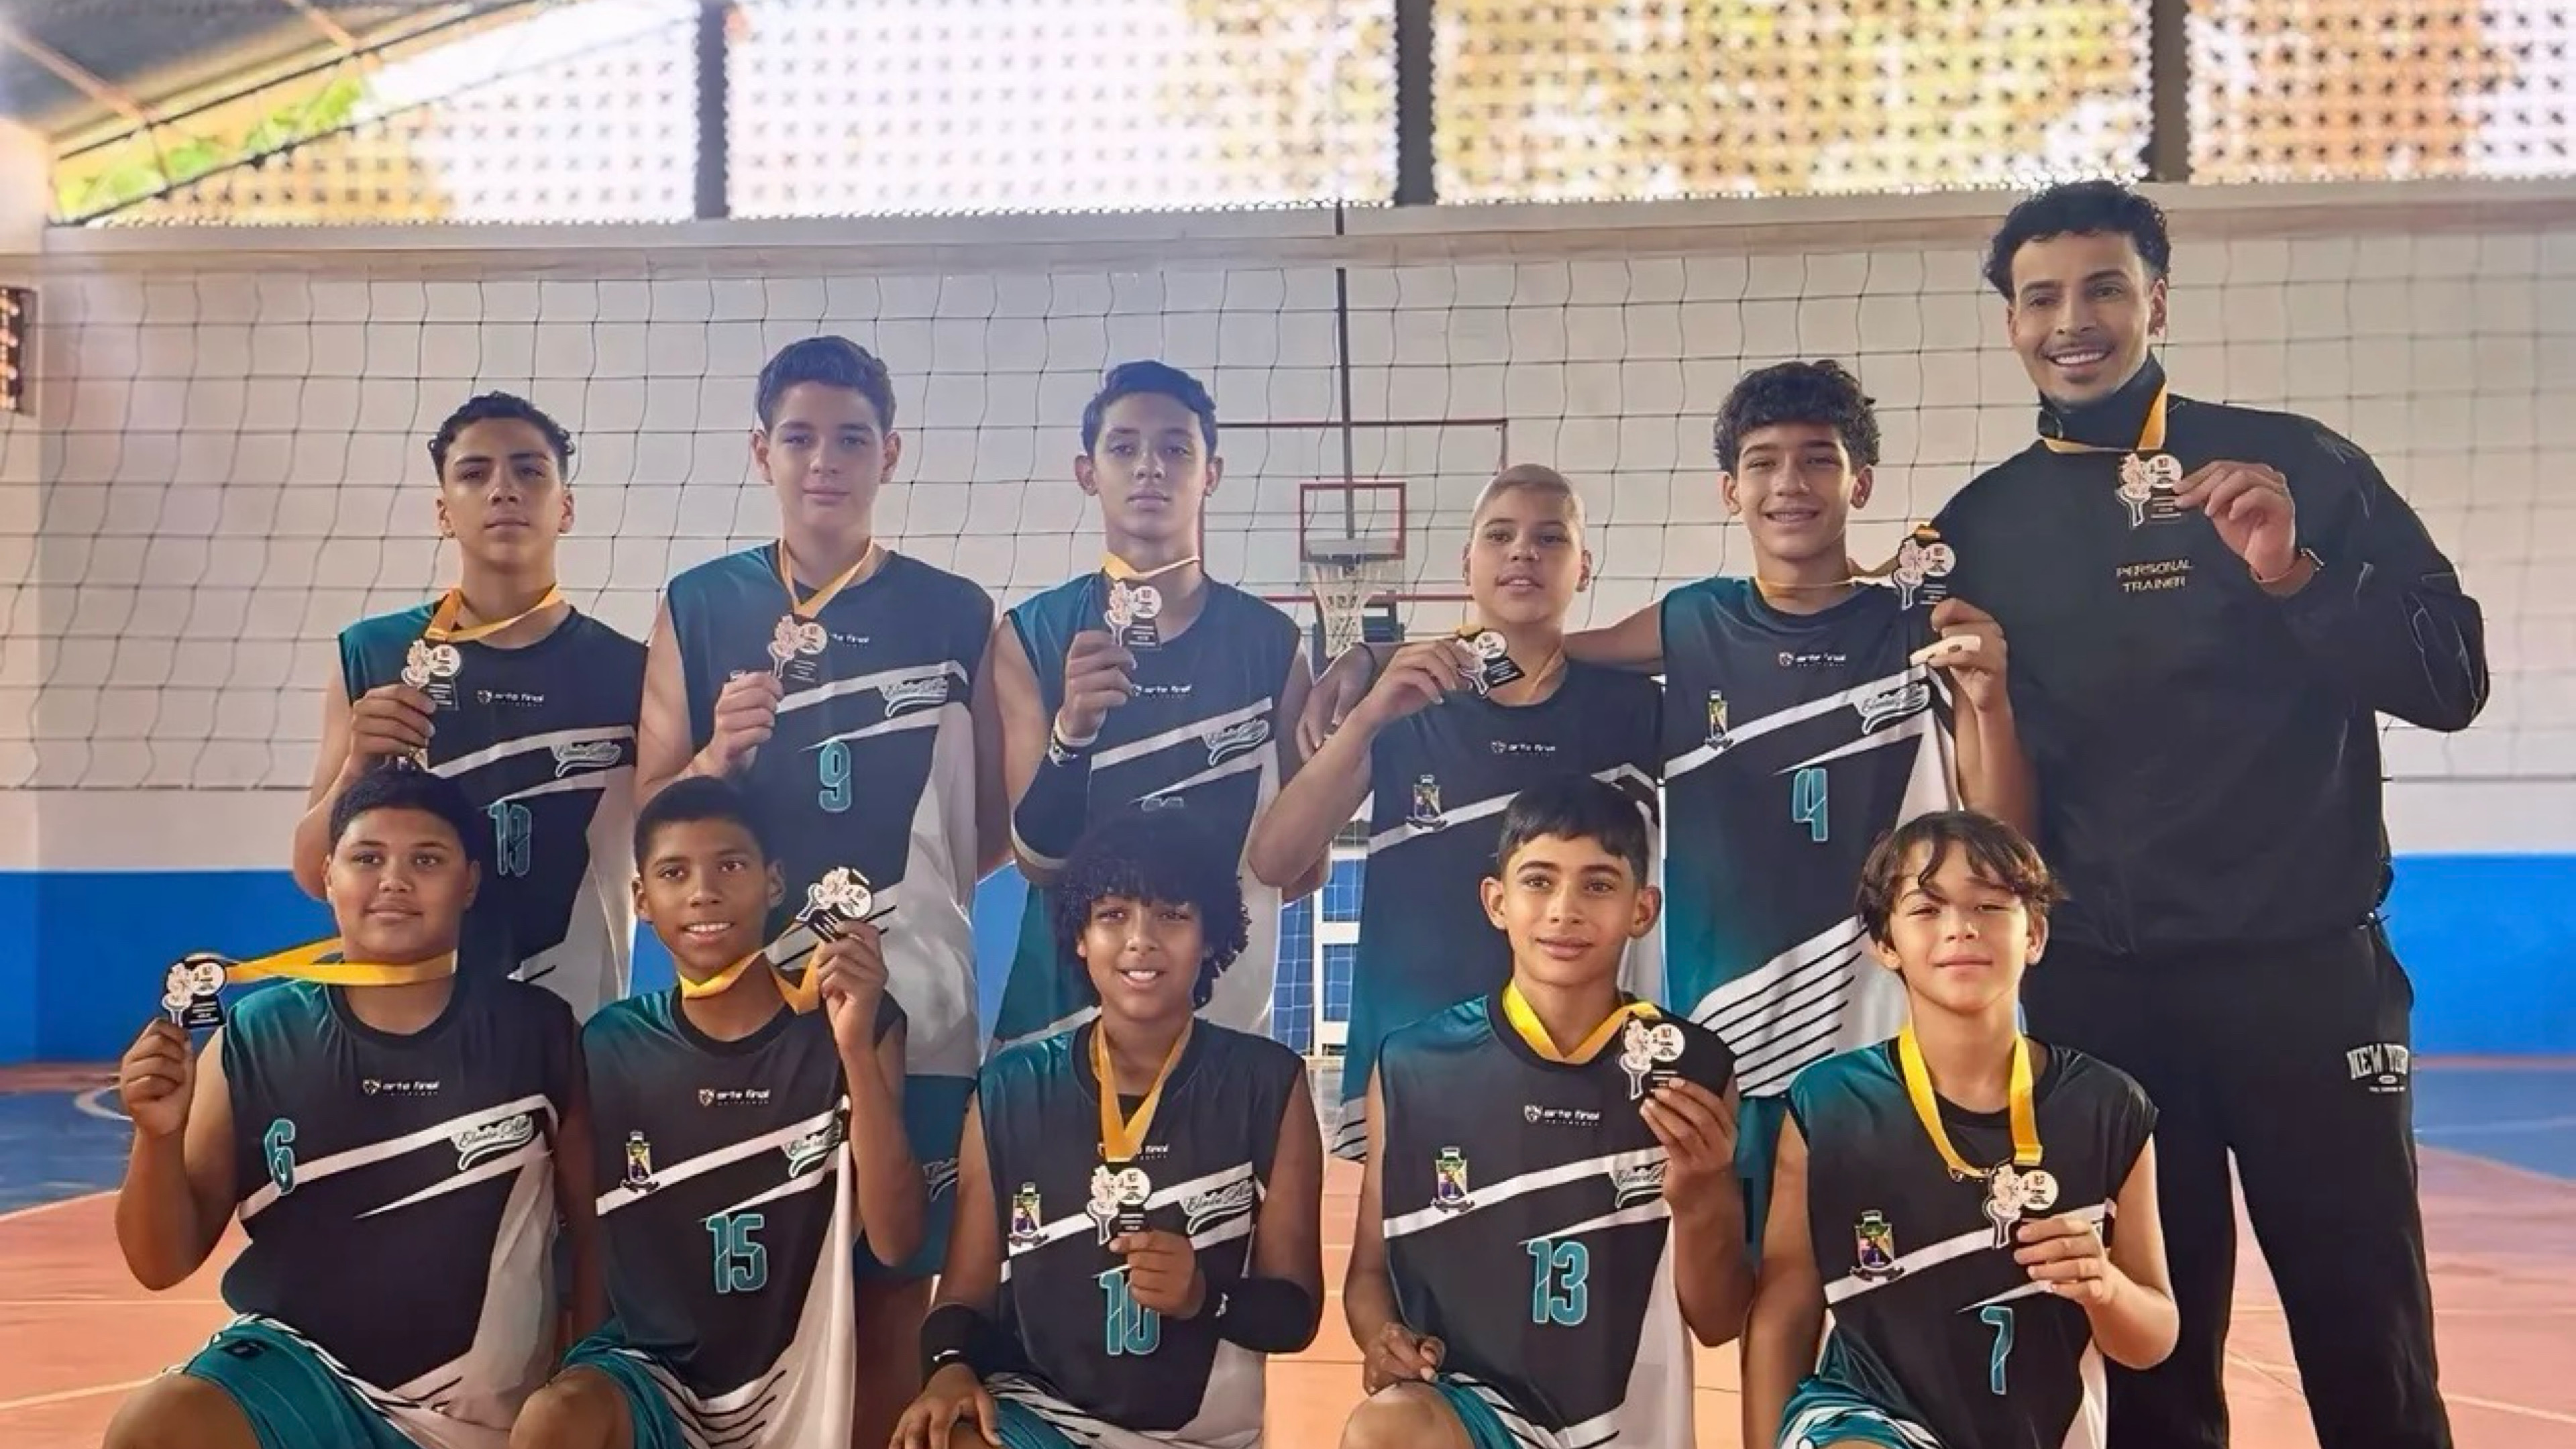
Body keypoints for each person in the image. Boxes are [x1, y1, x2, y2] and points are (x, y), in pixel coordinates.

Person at [1935, 179, 2486, 1449]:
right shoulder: (1977, 532)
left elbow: (2451, 681)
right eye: (2042, 298)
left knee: (2370, 1339)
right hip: (2106, 999)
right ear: (2012, 323)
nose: (2074, 321)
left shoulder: (2296, 466)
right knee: (2154, 1367)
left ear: (2158, 301)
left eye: (2105, 288)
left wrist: (2296, 575)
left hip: (2308, 981)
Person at [1302, 360, 2029, 1236]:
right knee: (1746, 1279)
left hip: (1888, 1017)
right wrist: (1376, 657)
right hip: (1726, 1030)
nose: (1789, 483)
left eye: (1818, 460)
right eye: (1763, 463)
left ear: (1860, 482)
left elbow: (2006, 839)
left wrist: (1992, 702)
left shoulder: (1920, 630)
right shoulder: (1692, 622)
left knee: (1892, 1267)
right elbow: (1541, 649)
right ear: (1731, 490)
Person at [634, 335, 1002, 1441]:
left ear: (890, 453)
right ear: (763, 453)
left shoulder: (957, 610)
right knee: (749, 1299)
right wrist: (715, 758)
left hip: (916, 1003)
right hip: (743, 1021)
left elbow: (989, 829)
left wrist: (898, 916)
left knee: (892, 1301)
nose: (825, 461)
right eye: (800, 437)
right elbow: (647, 820)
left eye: (851, 438)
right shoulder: (700, 604)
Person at [106, 765, 594, 1449]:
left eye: (427, 860)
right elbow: (161, 1265)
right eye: (367, 858)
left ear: (470, 883)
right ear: (328, 876)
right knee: (158, 1426)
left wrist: (585, 1373)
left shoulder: (539, 1030)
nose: (394, 880)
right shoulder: (257, 1035)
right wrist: (157, 1136)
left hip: (482, 1415)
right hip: (303, 1379)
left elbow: (593, 1233)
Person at [1248, 464, 1660, 1161]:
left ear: (1585, 567)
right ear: (1466, 563)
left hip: (1577, 1064)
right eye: (1500, 535)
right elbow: (1275, 861)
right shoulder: (1404, 703)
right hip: (1415, 1061)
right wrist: (1368, 714)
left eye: (1550, 538)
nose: (1522, 551)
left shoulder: (1636, 709)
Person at [510, 777, 924, 1449]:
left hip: (795, 1375)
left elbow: (897, 1240)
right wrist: (580, 1357)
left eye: (730, 866)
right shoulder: (609, 1042)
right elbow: (585, 1230)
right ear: (641, 898)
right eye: (675, 873)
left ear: (774, 882)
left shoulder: (859, 1024)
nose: (704, 892)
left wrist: (852, 1046)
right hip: (651, 1374)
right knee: (555, 1417)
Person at [1741, 810, 2176, 1449]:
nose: (1961, 927)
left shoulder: (2108, 1106)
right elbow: (1785, 1309)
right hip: (1868, 1412)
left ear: (2035, 935)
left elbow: (2153, 1336)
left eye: (1991, 905)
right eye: (1927, 909)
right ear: (1884, 943)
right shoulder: (1828, 1103)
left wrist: (2105, 1287)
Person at [893, 808, 1324, 1449]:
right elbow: (962, 1296)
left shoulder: (1269, 1082)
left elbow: (1295, 1314)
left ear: (1210, 936)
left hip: (1200, 1438)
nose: (1140, 941)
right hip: (1040, 1418)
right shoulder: (1010, 1087)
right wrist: (949, 1368)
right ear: (1080, 936)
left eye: (1172, 915)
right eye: (1113, 915)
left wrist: (1204, 1295)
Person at [1340, 775, 1748, 1449]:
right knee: (1386, 1431)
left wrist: (1704, 1196)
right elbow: (1367, 1274)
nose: (1565, 910)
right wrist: (1382, 1338)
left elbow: (1718, 1319)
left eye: (1598, 884)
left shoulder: (1692, 1068)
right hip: (1468, 1414)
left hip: (1624, 1427)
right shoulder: (1412, 1064)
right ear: (1496, 901)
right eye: (1538, 881)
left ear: (1642, 909)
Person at [990, 360, 1322, 1046]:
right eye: (1124, 448)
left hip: (1222, 1018)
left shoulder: (1273, 645)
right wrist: (1072, 735)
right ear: (1088, 472)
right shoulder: (1032, 635)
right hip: (1061, 1020)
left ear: (1212, 473)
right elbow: (1037, 863)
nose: (1150, 467)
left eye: (1176, 448)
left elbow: (1303, 869)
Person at [294, 392, 645, 1019]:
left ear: (565, 507)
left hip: (576, 1023)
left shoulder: (633, 670)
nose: (503, 490)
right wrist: (356, 768)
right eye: (475, 473)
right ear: (443, 511)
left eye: (529, 471)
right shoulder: (374, 653)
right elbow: (310, 870)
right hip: (412, 1024)